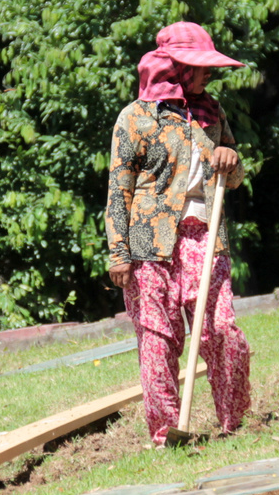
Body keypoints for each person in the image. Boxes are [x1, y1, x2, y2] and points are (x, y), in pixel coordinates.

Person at [106, 22, 252, 445]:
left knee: (222, 329)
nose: (210, 74)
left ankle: (232, 421)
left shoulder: (212, 111)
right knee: (158, 339)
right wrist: (119, 252)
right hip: (150, 245)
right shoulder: (135, 118)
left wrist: (230, 157)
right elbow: (119, 189)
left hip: (205, 236)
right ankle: (168, 432)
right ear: (177, 68)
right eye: (201, 66)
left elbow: (236, 175)